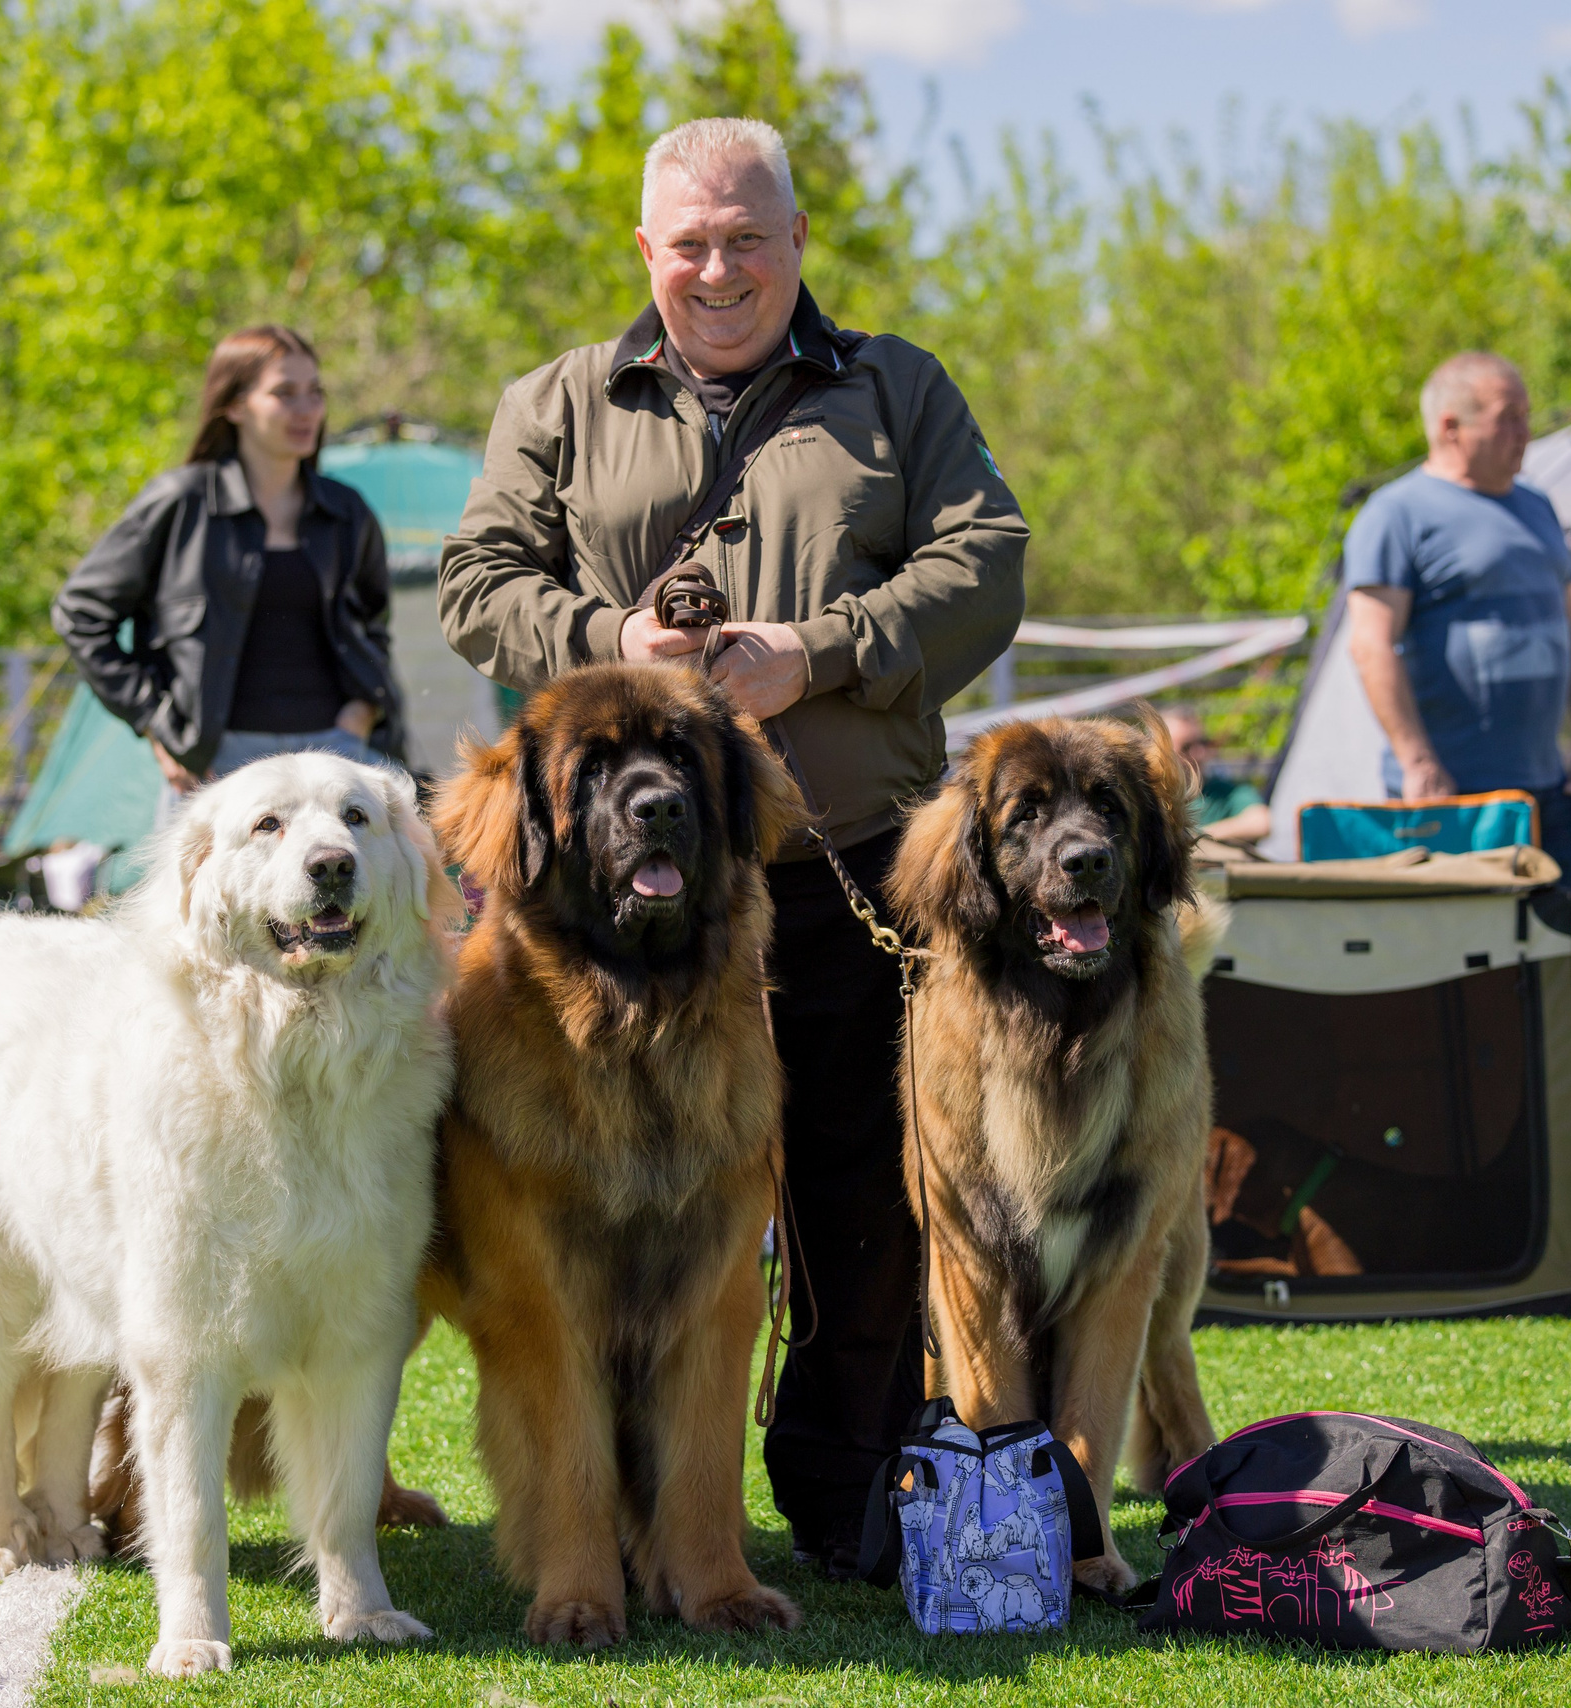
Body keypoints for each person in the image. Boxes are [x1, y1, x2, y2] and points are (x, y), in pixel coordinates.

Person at [437, 116, 1027, 1574]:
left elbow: (985, 565)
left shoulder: (898, 389)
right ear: (647, 251)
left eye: (746, 239)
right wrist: (607, 639)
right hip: (597, 919)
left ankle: (845, 1493)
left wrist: (814, 656)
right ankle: (613, 1501)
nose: (718, 268)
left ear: (797, 243)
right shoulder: (563, 398)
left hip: (843, 868)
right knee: (592, 1217)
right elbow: (476, 581)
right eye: (689, 242)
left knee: (861, 1203)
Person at [1343, 350, 1571, 1129]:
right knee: (1461, 986)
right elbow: (1372, 645)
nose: (1529, 433)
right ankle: (1463, 1141)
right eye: (1512, 420)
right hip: (1453, 799)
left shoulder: (1535, 507)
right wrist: (1417, 758)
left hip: (1548, 791)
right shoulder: (1397, 514)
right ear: (1449, 425)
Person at [53, 324, 405, 817]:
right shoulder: (180, 502)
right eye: (284, 393)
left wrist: (359, 717)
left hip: (337, 757)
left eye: (315, 392)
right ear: (235, 405)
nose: (306, 409)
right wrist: (159, 725)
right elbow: (79, 613)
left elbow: (373, 626)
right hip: (217, 766)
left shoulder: (347, 513)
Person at [1162, 709, 1271, 845]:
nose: (1200, 754)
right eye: (1186, 747)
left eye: (1202, 743)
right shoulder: (1151, 795)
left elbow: (1261, 822)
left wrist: (1196, 837)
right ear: (1160, 752)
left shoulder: (1225, 792)